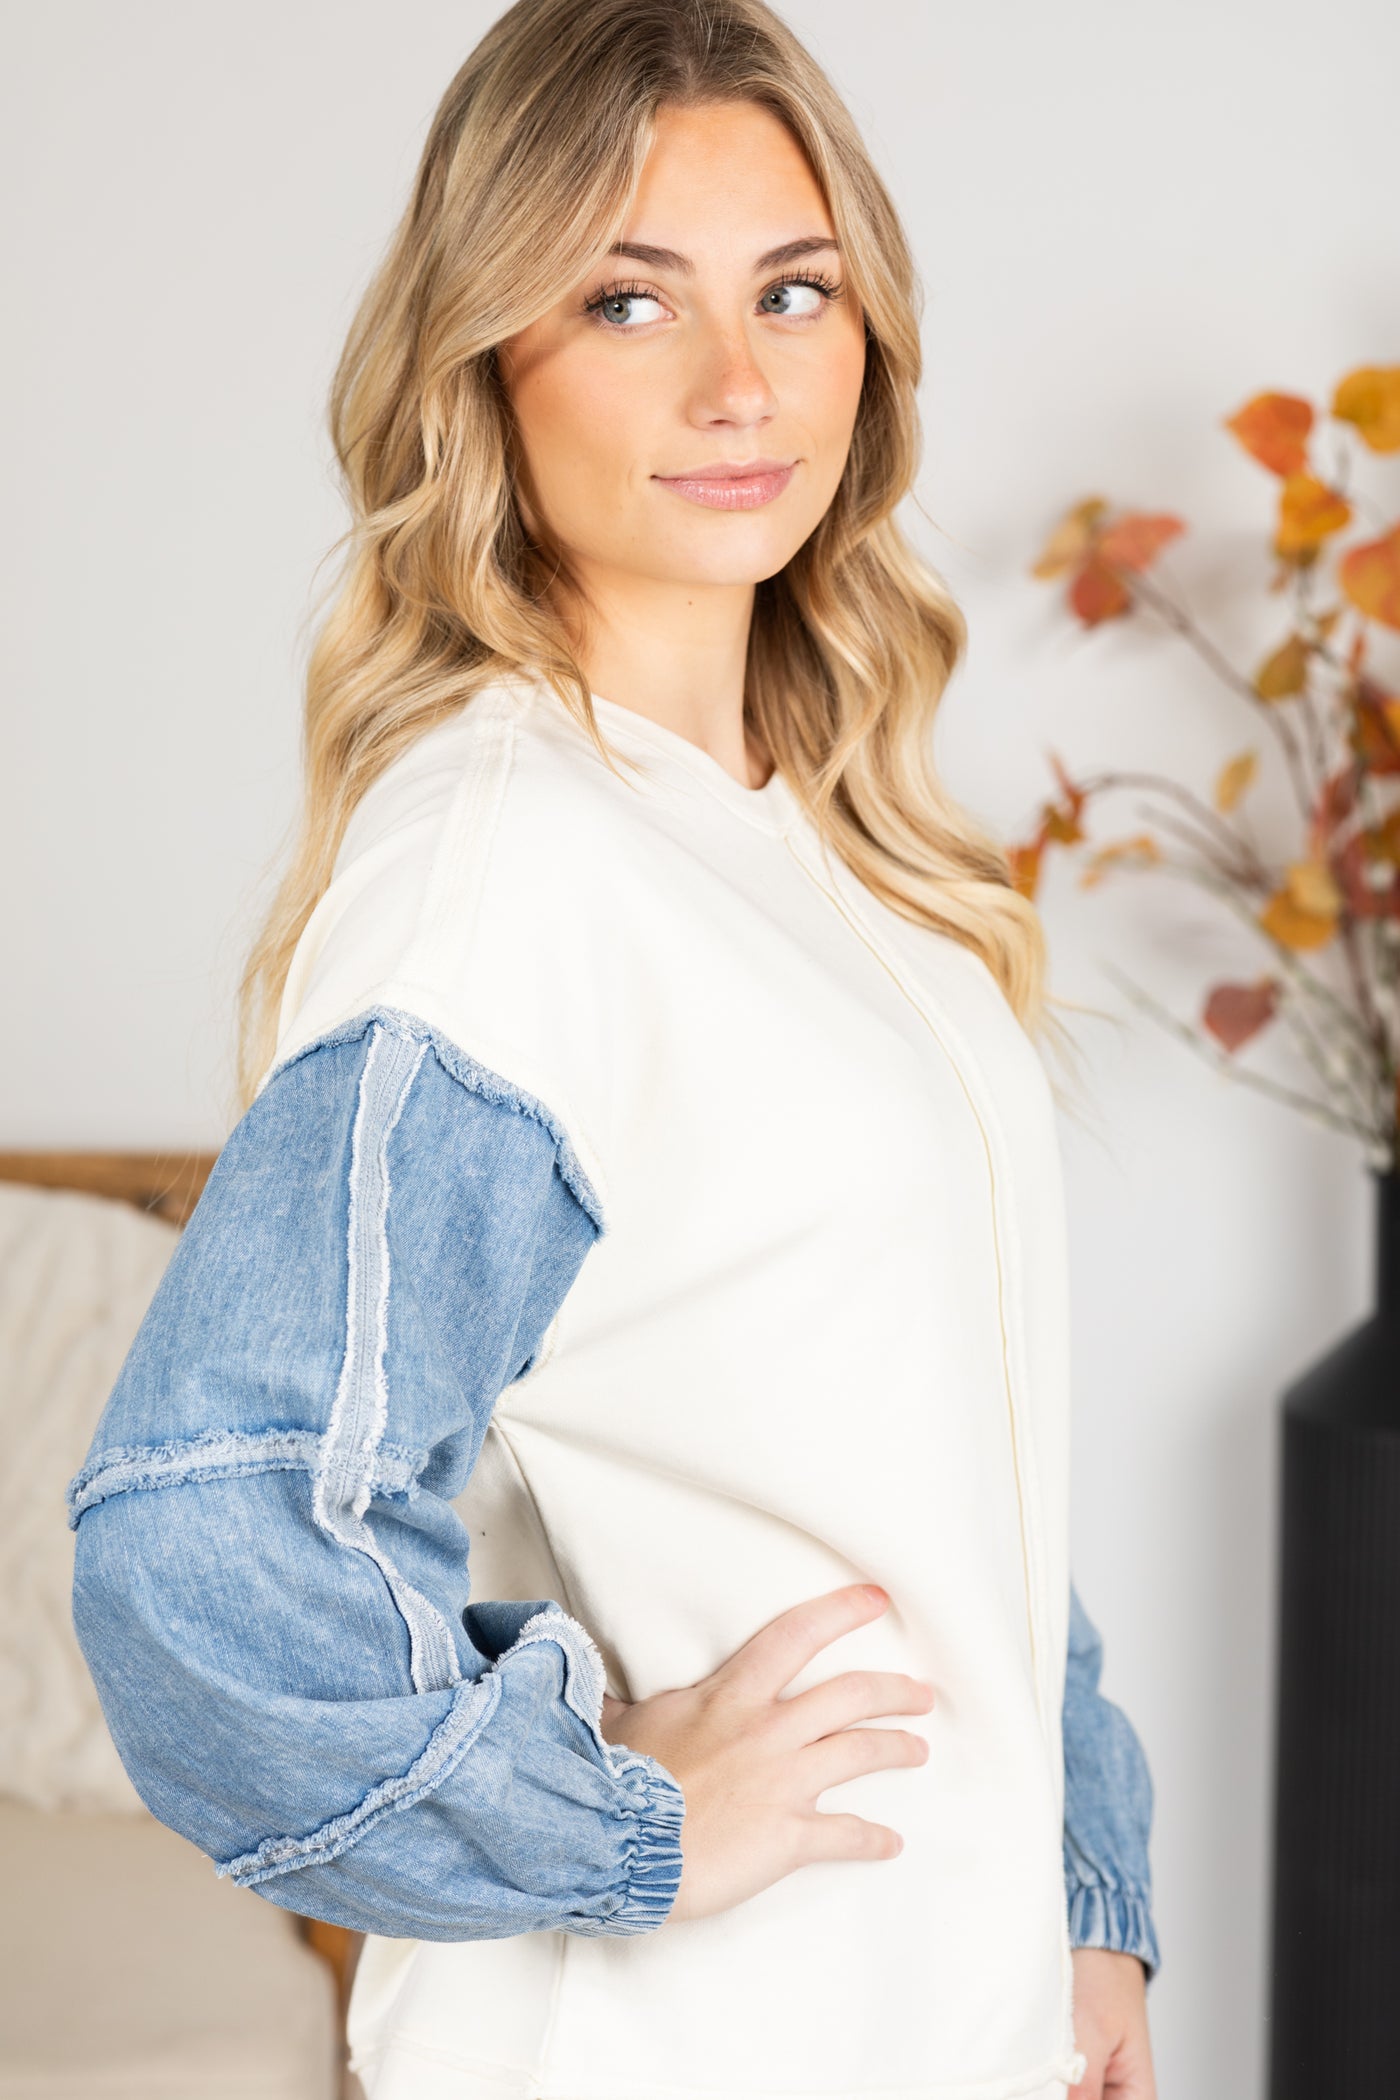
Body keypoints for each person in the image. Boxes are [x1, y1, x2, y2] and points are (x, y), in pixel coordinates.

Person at [68, 3, 1160, 2096]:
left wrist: (1073, 1902)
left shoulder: (837, 847)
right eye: (628, 299)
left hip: (944, 2021)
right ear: (488, 356)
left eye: (794, 290)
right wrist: (608, 1810)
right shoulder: (510, 870)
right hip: (685, 2040)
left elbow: (948, 1435)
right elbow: (209, 1541)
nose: (739, 381)